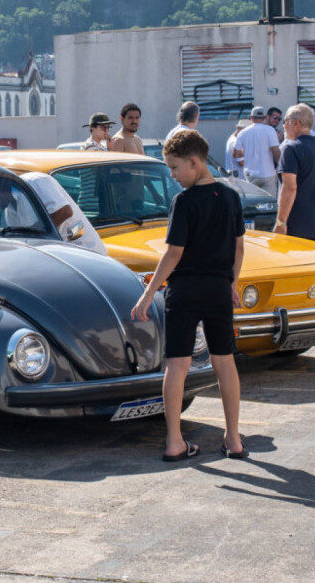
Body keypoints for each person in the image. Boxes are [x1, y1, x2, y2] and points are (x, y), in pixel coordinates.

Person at [131, 130, 245, 463]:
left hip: (184, 291)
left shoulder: (183, 202)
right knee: (225, 362)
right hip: (219, 289)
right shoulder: (230, 197)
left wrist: (147, 293)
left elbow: (173, 253)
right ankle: (234, 439)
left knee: (177, 365)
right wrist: (233, 283)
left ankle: (175, 441)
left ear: (194, 162)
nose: (172, 175)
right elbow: (238, 247)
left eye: (175, 168)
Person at [275, 104, 315, 243]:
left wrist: (281, 223)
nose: (283, 126)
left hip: (295, 226)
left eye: (285, 121)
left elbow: (290, 187)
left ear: (296, 123)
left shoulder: (290, 148)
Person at [20, 172, 107, 255]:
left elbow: (65, 211)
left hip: (86, 252)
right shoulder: (9, 210)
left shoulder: (34, 181)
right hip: (62, 255)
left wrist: (33, 233)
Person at [234, 107, 280, 194]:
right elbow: (276, 151)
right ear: (265, 117)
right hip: (268, 173)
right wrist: (280, 166)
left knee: (253, 203)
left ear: (251, 118)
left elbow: (235, 153)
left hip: (250, 174)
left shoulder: (243, 132)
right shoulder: (270, 130)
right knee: (269, 203)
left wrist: (246, 153)